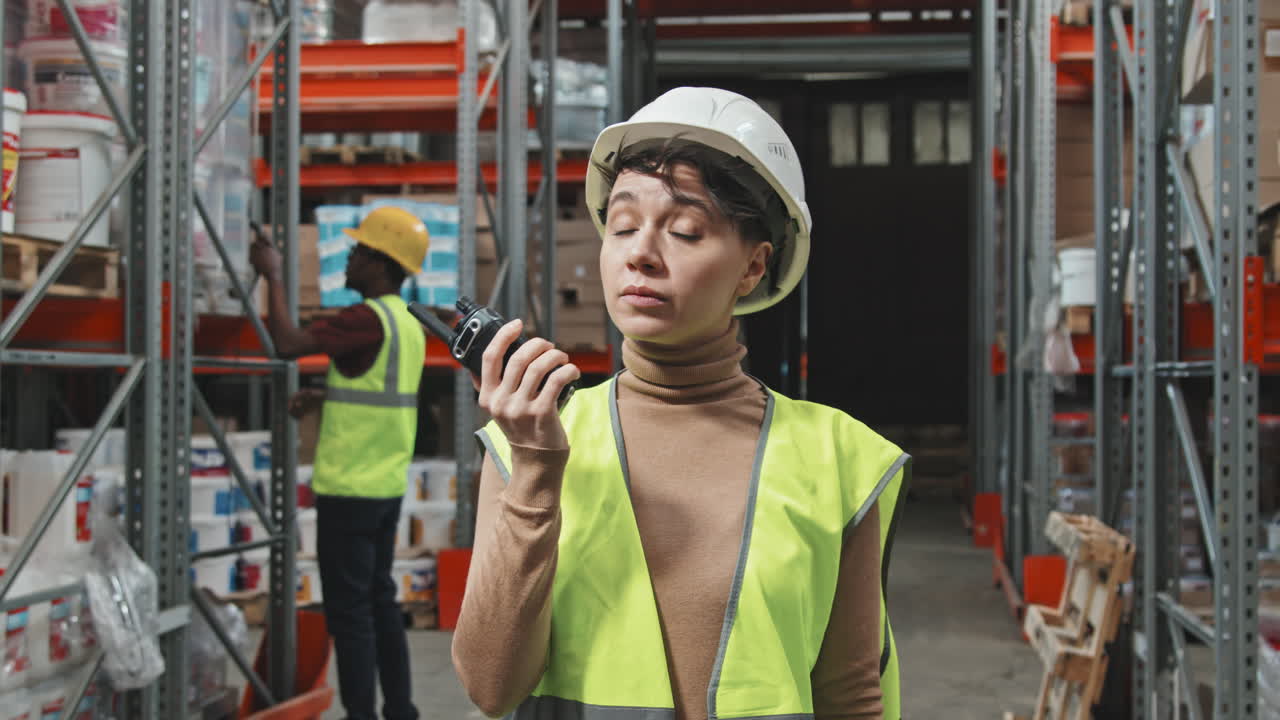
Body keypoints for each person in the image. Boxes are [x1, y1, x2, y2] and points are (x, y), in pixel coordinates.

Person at [451, 87, 911, 720]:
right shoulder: (528, 440)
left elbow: (850, 693)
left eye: (685, 230)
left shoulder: (838, 460)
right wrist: (534, 469)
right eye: (622, 226)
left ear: (752, 267)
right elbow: (490, 687)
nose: (640, 253)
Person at [249, 206, 428, 720]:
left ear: (381, 262)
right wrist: (325, 395)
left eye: (358, 250)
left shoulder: (365, 319)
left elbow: (287, 344)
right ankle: (401, 711)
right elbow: (377, 389)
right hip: (385, 485)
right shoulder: (407, 322)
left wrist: (273, 276)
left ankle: (361, 715)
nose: (348, 258)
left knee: (350, 615)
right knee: (380, 602)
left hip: (349, 491)